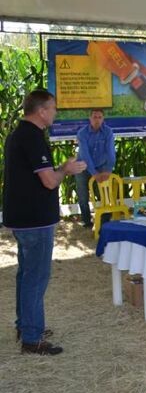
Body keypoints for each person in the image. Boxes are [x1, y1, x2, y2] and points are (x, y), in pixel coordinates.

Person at [3, 89, 87, 355]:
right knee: (36, 278)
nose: (55, 113)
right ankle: (32, 337)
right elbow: (50, 181)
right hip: (35, 221)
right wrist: (66, 169)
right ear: (41, 111)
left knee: (26, 275)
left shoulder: (21, 134)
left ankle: (26, 326)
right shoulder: (31, 137)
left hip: (24, 218)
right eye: (52, 108)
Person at [74, 108, 116, 228]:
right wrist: (94, 173)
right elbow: (85, 155)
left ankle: (105, 221)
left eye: (99, 117)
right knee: (83, 195)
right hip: (82, 166)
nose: (97, 120)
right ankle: (87, 221)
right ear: (90, 119)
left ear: (103, 119)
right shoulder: (82, 133)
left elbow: (111, 152)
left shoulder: (108, 132)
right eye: (94, 117)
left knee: (104, 193)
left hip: (102, 165)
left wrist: (108, 170)